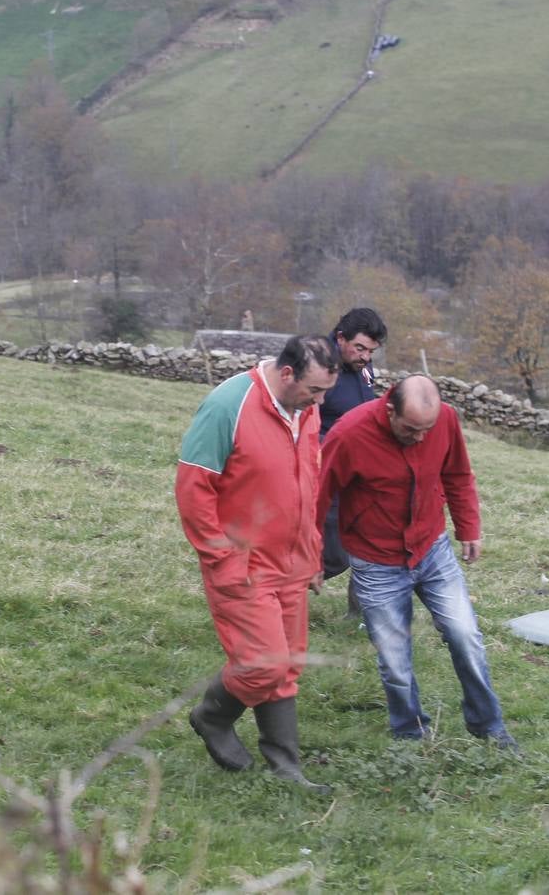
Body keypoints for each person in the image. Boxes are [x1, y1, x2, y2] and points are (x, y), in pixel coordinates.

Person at [316, 375, 517, 749]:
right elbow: (318, 496)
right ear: (389, 410)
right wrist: (311, 556)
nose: (421, 437)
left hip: (432, 549)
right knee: (394, 658)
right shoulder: (349, 434)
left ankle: (488, 726)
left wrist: (469, 527)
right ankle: (409, 733)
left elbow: (457, 474)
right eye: (411, 429)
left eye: (427, 428)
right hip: (376, 561)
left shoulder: (445, 419)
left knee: (466, 636)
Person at [175, 335, 339, 789]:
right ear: (287, 373)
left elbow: (305, 480)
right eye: (314, 391)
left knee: (287, 665)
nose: (321, 402)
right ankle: (211, 717)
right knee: (264, 664)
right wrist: (220, 556)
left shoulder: (305, 409)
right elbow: (193, 487)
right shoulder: (229, 404)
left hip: (291, 562)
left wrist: (310, 552)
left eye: (325, 392)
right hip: (242, 564)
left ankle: (286, 769)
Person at [318, 307, 388, 619]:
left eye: (371, 351)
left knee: (370, 539)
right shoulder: (317, 364)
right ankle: (278, 587)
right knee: (334, 554)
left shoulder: (362, 366)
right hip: (326, 469)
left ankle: (360, 613)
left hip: (361, 470)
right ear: (340, 337)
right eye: (359, 348)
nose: (365, 356)